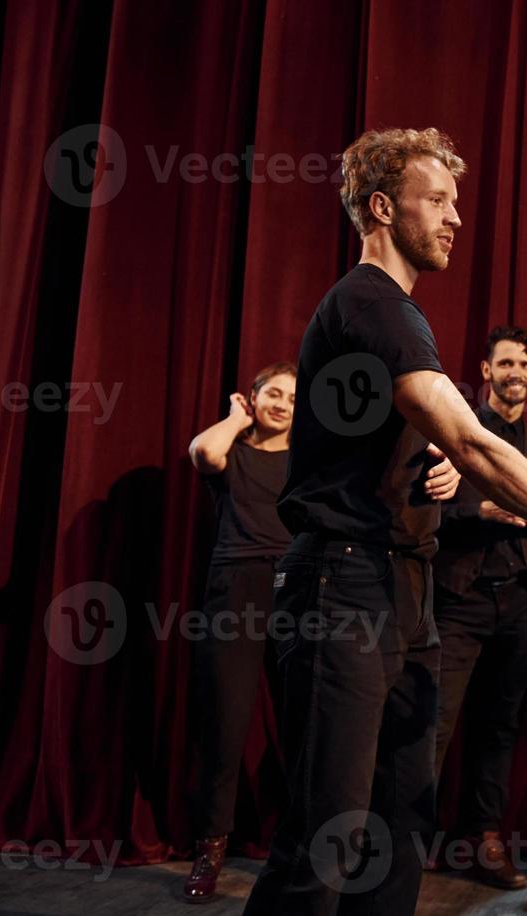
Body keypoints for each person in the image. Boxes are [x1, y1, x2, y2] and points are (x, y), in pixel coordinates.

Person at [242, 127, 527, 916]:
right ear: (382, 207)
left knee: (401, 819)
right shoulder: (369, 302)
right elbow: (476, 440)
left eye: (457, 203)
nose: (456, 218)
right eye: (438, 201)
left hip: (402, 586)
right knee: (328, 832)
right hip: (344, 586)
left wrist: (426, 468)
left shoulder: (397, 316)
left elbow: (414, 441)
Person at [432, 325, 527, 889]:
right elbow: (423, 513)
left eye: (525, 364)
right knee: (430, 726)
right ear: (486, 370)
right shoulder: (455, 434)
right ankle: (404, 847)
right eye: (505, 362)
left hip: (521, 606)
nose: (516, 372)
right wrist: (480, 510)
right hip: (457, 602)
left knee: (499, 728)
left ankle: (485, 840)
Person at [182, 361, 296, 903]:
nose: (282, 404)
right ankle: (211, 847)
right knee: (225, 728)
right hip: (234, 594)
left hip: (295, 594)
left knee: (304, 727)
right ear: (252, 398)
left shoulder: (306, 463)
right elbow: (203, 452)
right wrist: (235, 417)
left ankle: (300, 844)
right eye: (273, 394)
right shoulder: (230, 453)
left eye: (294, 398)